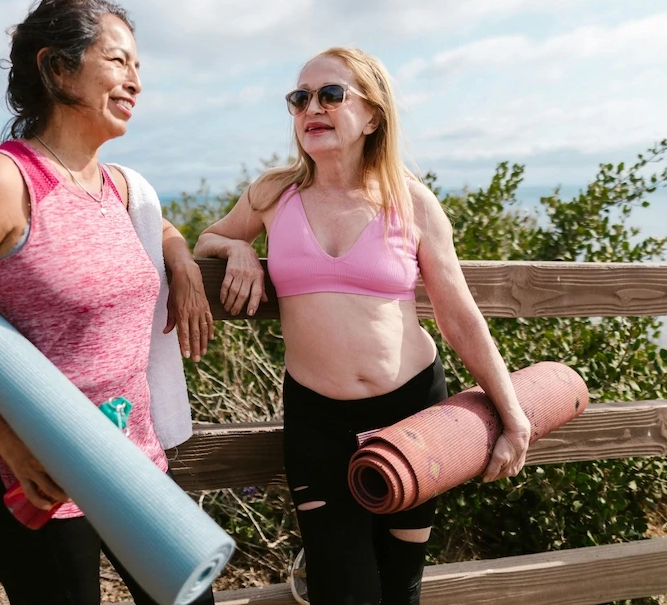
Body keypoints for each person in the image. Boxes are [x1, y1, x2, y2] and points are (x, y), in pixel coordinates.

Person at [0, 0, 216, 605]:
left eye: (138, 65)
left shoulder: (118, 187)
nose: (135, 80)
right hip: (40, 477)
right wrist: (6, 436)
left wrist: (181, 256)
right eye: (117, 61)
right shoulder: (3, 180)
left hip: (131, 463)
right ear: (57, 69)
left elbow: (150, 227)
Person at [193, 47, 531, 604]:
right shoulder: (274, 194)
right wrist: (239, 251)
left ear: (372, 115)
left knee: (400, 587)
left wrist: (513, 417)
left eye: (331, 95)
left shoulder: (412, 202)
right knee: (342, 591)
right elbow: (209, 235)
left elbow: (459, 316)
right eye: (299, 99)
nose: (311, 109)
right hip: (316, 420)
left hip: (414, 416)